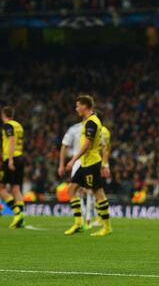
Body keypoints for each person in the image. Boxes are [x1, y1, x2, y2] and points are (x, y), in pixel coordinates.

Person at [64, 95, 112, 237]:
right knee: (71, 189)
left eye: (78, 105)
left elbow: (87, 144)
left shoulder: (92, 122)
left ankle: (107, 226)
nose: (76, 108)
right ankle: (78, 223)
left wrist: (73, 160)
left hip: (91, 163)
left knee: (98, 193)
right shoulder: (88, 121)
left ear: (85, 106)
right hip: (85, 163)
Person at [58, 122, 95, 229]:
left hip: (83, 160)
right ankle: (84, 216)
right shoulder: (76, 128)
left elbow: (64, 146)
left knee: (83, 190)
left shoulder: (75, 128)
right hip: (83, 161)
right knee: (79, 190)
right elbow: (64, 145)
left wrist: (62, 164)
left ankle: (86, 218)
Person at [0, 106, 25, 228]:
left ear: (4, 115)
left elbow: (12, 140)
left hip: (10, 158)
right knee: (16, 189)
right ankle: (21, 216)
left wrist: (11, 159)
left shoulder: (8, 125)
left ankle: (17, 213)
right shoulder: (19, 125)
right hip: (20, 157)